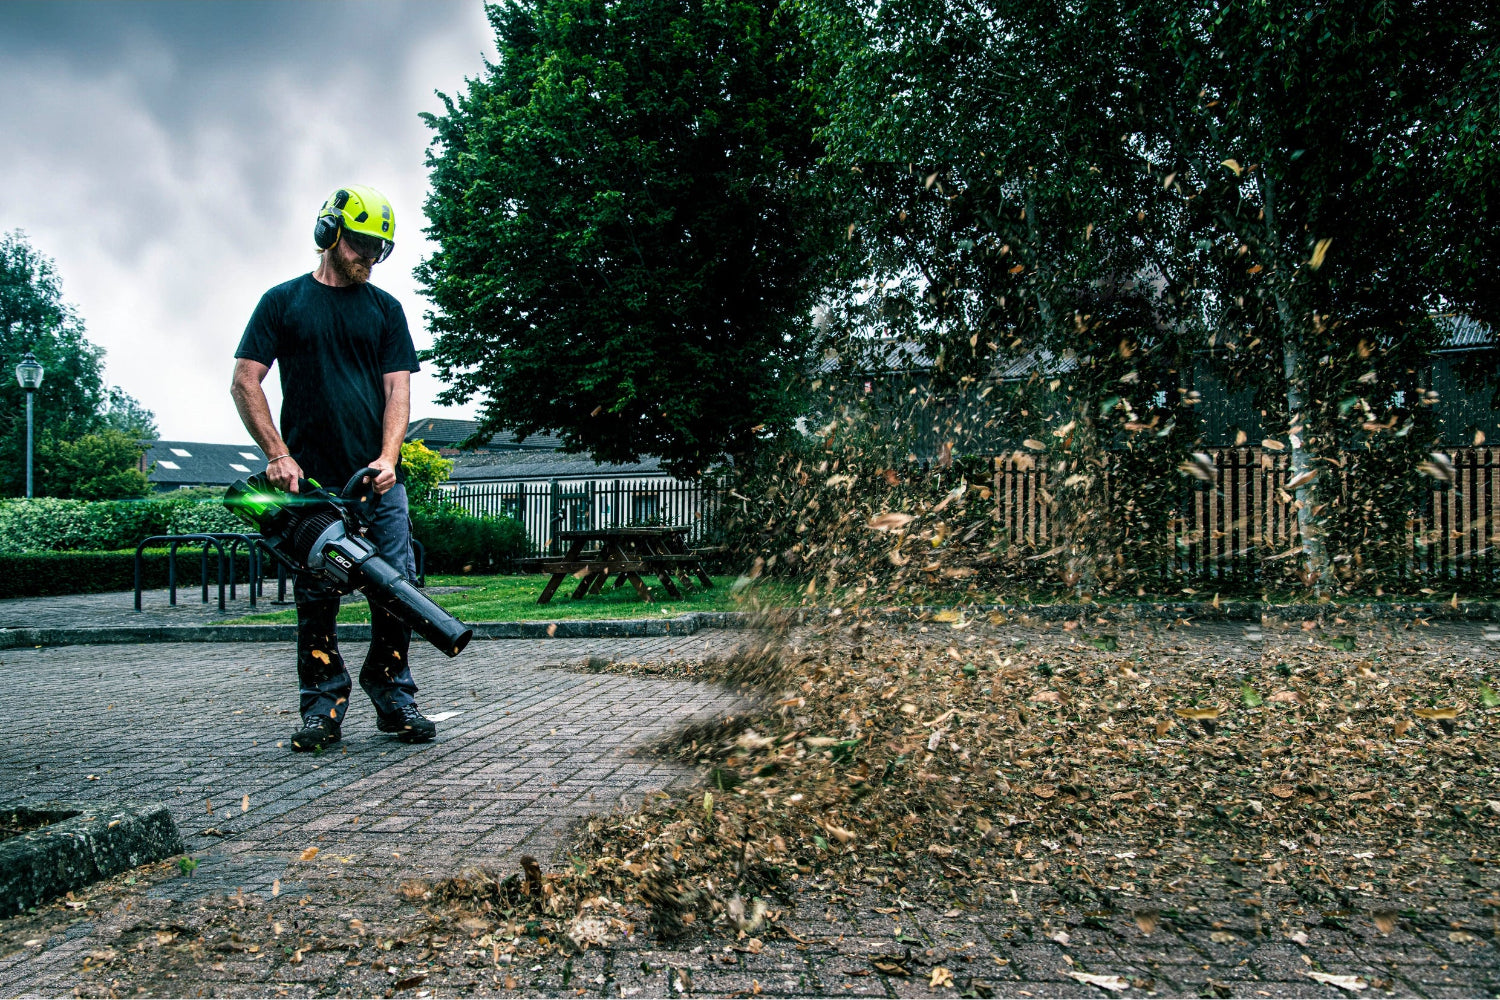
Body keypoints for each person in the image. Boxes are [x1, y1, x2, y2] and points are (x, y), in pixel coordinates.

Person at [230, 185, 437, 752]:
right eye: (360, 244)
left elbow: (398, 391)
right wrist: (277, 454)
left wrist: (389, 457)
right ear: (329, 233)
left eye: (378, 249)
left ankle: (393, 696)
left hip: (376, 481)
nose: (369, 257)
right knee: (317, 598)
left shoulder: (385, 310)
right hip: (310, 487)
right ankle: (322, 708)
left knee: (398, 591)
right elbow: (245, 381)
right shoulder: (283, 302)